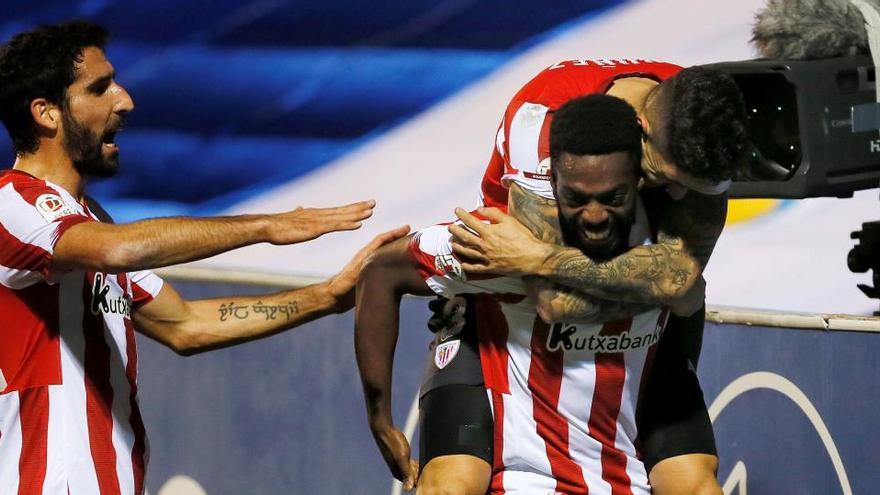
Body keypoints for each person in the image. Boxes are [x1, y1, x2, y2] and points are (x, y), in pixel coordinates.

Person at [0, 20, 408, 494]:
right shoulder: (14, 202)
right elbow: (118, 250)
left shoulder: (92, 220)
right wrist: (265, 226)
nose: (124, 99)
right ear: (46, 113)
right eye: (100, 87)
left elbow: (186, 324)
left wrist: (328, 295)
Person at [377, 59, 749, 494]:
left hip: (634, 330)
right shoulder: (542, 124)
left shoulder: (698, 116)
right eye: (663, 177)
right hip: (503, 316)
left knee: (697, 485)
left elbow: (681, 279)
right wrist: (379, 417)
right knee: (450, 485)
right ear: (639, 128)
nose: (679, 195)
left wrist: (538, 258)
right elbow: (557, 302)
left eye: (691, 185)